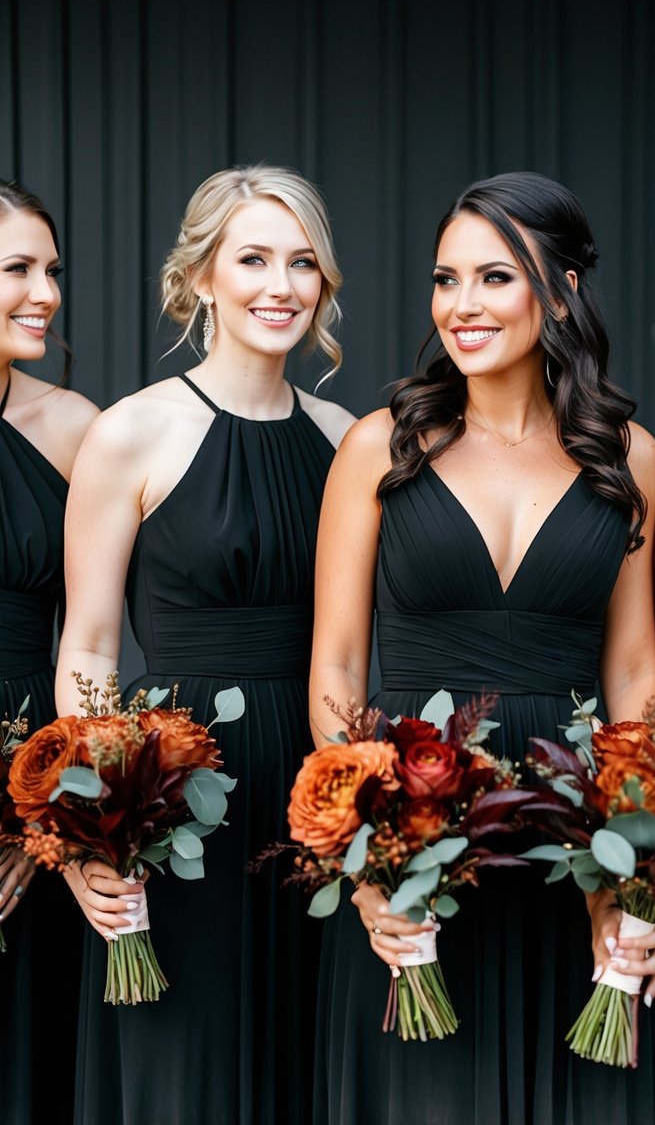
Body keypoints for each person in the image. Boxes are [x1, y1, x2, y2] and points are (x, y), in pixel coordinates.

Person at [310, 172, 655, 1125]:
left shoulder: (627, 453)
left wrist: (637, 856)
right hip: (418, 814)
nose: (461, 306)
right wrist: (372, 848)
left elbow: (636, 672)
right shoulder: (378, 449)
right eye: (445, 279)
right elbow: (338, 667)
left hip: (575, 826)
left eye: (494, 278)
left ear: (558, 291)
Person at [56, 164, 354, 1125]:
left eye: (302, 263)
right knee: (182, 1060)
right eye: (254, 258)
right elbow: (91, 647)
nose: (282, 286)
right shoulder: (130, 434)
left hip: (312, 782)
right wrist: (96, 824)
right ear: (201, 279)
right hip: (175, 787)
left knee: (310, 1051)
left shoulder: (350, 440)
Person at [0, 179, 98, 1125]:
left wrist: (49, 822)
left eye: (51, 269)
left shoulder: (71, 429)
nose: (46, 293)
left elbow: (95, 635)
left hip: (35, 766)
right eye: (18, 269)